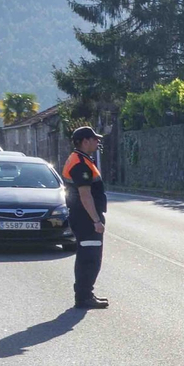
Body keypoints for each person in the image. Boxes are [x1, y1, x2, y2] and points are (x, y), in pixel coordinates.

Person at [62, 126, 109, 310]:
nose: (97, 142)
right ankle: (83, 296)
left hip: (82, 217)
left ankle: (85, 293)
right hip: (86, 219)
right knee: (90, 258)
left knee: (87, 256)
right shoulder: (80, 164)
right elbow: (85, 195)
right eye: (94, 139)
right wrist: (96, 221)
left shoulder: (81, 159)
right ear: (84, 141)